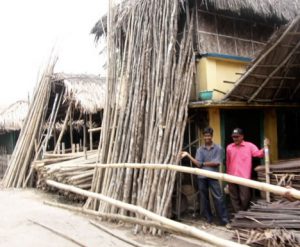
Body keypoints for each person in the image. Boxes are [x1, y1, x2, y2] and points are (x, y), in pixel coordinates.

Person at [180, 127, 228, 225]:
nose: (207, 138)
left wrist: (203, 163)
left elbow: (217, 163)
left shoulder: (218, 148)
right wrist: (189, 156)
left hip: (213, 176)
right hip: (202, 177)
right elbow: (198, 164)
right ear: (203, 136)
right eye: (205, 136)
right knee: (204, 199)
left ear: (212, 136)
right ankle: (209, 219)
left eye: (209, 136)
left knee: (218, 197)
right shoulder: (200, 150)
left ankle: (224, 220)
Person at [226, 128, 267, 212]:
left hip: (244, 176)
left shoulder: (249, 146)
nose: (235, 139)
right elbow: (228, 161)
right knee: (234, 196)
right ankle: (238, 214)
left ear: (242, 136)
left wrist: (266, 148)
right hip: (231, 175)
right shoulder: (229, 147)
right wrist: (227, 174)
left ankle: (242, 212)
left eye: (237, 136)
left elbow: (259, 154)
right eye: (233, 137)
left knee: (245, 197)